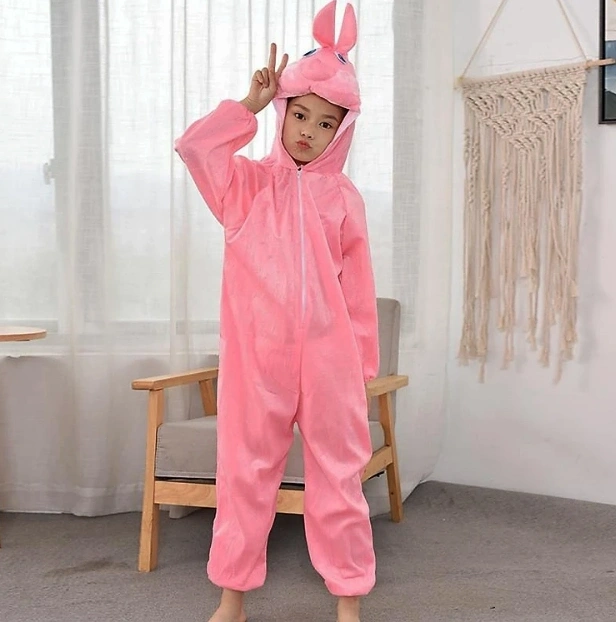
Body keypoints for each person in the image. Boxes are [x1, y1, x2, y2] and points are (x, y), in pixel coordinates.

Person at [174, 3, 378, 621]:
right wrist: (250, 104)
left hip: (329, 362)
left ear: (343, 131)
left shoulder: (343, 197)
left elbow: (358, 290)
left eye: (326, 122)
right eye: (300, 114)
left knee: (339, 478)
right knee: (244, 473)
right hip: (256, 358)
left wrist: (362, 367)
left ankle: (348, 601)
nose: (308, 131)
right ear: (284, 112)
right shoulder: (244, 185)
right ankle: (231, 598)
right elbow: (194, 147)